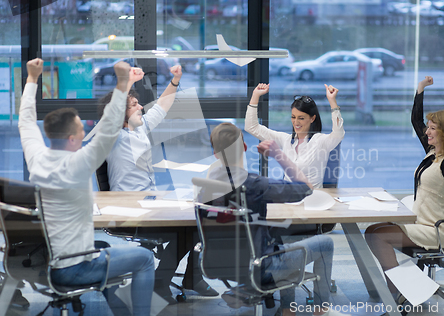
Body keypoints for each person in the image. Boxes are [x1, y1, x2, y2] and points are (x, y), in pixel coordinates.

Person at [19, 58, 155, 316]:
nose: (86, 132)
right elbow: (109, 129)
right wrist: (122, 84)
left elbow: (25, 122)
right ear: (72, 138)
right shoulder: (78, 164)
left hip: (53, 261)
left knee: (103, 248)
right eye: (82, 129)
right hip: (74, 267)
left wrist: (32, 79)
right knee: (145, 259)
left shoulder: (37, 158)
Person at [97, 65, 217, 301]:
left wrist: (175, 80)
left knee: (199, 219)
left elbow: (161, 107)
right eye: (134, 104)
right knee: (188, 229)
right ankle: (163, 281)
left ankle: (187, 278)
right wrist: (128, 83)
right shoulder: (112, 136)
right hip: (129, 209)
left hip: (149, 202)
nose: (141, 107)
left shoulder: (139, 130)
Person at [204, 122, 346, 316]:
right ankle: (321, 310)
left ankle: (286, 308)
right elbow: (306, 188)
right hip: (261, 266)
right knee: (325, 243)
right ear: (244, 148)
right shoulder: (254, 184)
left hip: (221, 264)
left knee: (279, 241)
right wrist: (278, 154)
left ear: (215, 153)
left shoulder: (206, 187)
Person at [364, 76, 444, 299]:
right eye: (428, 128)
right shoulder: (433, 154)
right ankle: (402, 287)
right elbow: (415, 121)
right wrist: (420, 89)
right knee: (372, 230)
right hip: (420, 220)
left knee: (377, 236)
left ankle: (397, 292)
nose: (427, 132)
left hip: (435, 228)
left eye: (433, 129)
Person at [245, 83, 344, 188]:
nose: (296, 122)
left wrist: (332, 101)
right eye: (293, 117)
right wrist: (255, 95)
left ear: (312, 118)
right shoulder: (286, 140)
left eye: (301, 118)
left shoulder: (320, 141)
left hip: (312, 200)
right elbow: (251, 127)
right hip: (288, 199)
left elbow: (338, 134)